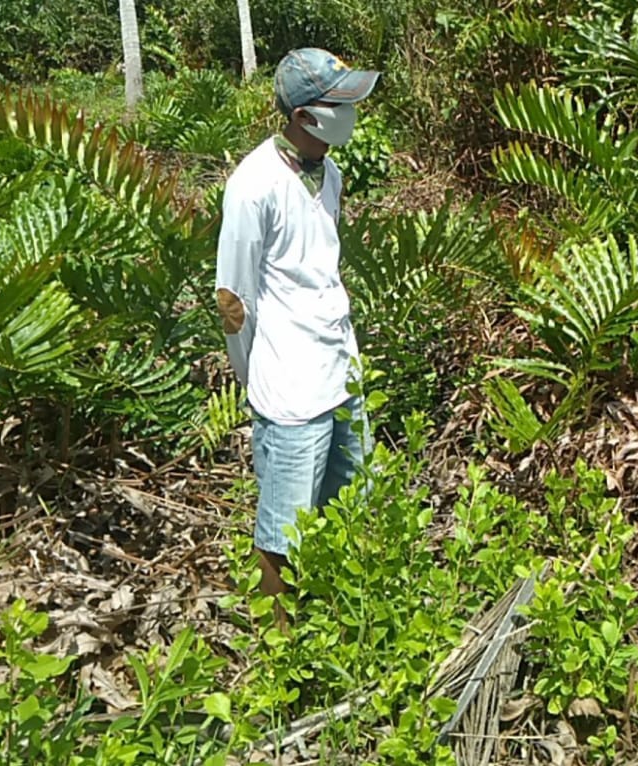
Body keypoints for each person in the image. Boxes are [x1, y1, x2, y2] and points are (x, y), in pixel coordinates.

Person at [215, 47, 379, 604]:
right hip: (289, 388)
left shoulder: (329, 174)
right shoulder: (253, 185)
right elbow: (234, 299)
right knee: (282, 532)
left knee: (348, 503)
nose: (351, 114)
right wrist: (253, 375)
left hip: (340, 370)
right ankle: (279, 638)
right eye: (340, 105)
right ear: (304, 116)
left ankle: (336, 612)